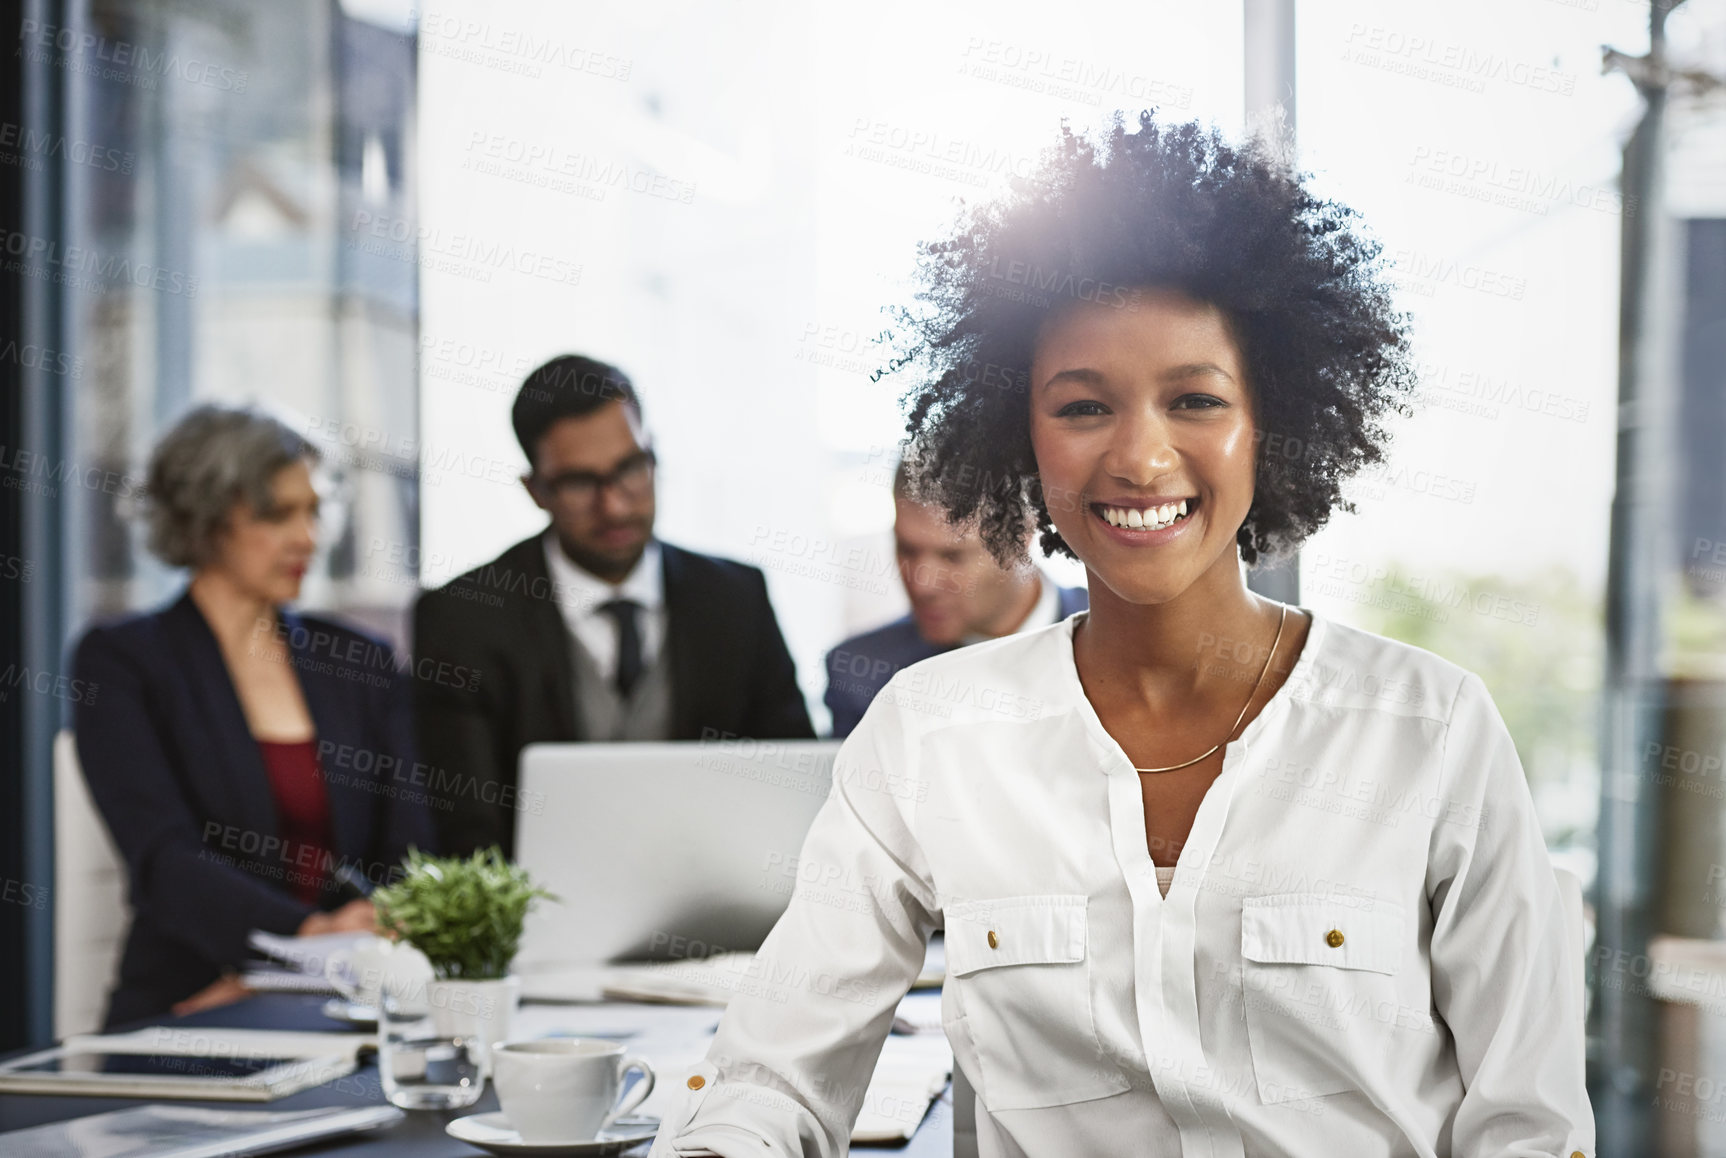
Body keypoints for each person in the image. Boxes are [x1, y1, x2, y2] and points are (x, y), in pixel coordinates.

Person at [649, 114, 1593, 1157]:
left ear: (1267, 423)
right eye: (1083, 406)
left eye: (1194, 398)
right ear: (1021, 437)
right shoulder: (928, 737)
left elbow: (1529, 1126)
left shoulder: (1429, 730)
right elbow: (774, 1078)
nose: (1141, 458)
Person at [72, 404, 434, 1027]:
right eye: (277, 514)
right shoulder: (124, 661)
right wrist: (304, 937)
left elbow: (409, 851)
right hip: (195, 1001)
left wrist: (354, 944)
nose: (308, 538)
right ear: (206, 521)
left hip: (355, 998)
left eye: (315, 511)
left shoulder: (359, 660)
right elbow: (164, 859)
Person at [413, 355, 815, 857]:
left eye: (630, 468)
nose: (616, 505)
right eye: (581, 483)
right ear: (536, 490)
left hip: (719, 915)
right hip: (537, 926)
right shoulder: (462, 619)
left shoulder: (736, 600)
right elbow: (466, 834)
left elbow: (794, 788)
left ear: (654, 455)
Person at [823, 457, 1086, 737]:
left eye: (952, 557)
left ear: (1021, 536)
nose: (923, 585)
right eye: (907, 550)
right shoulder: (863, 676)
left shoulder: (1128, 645)